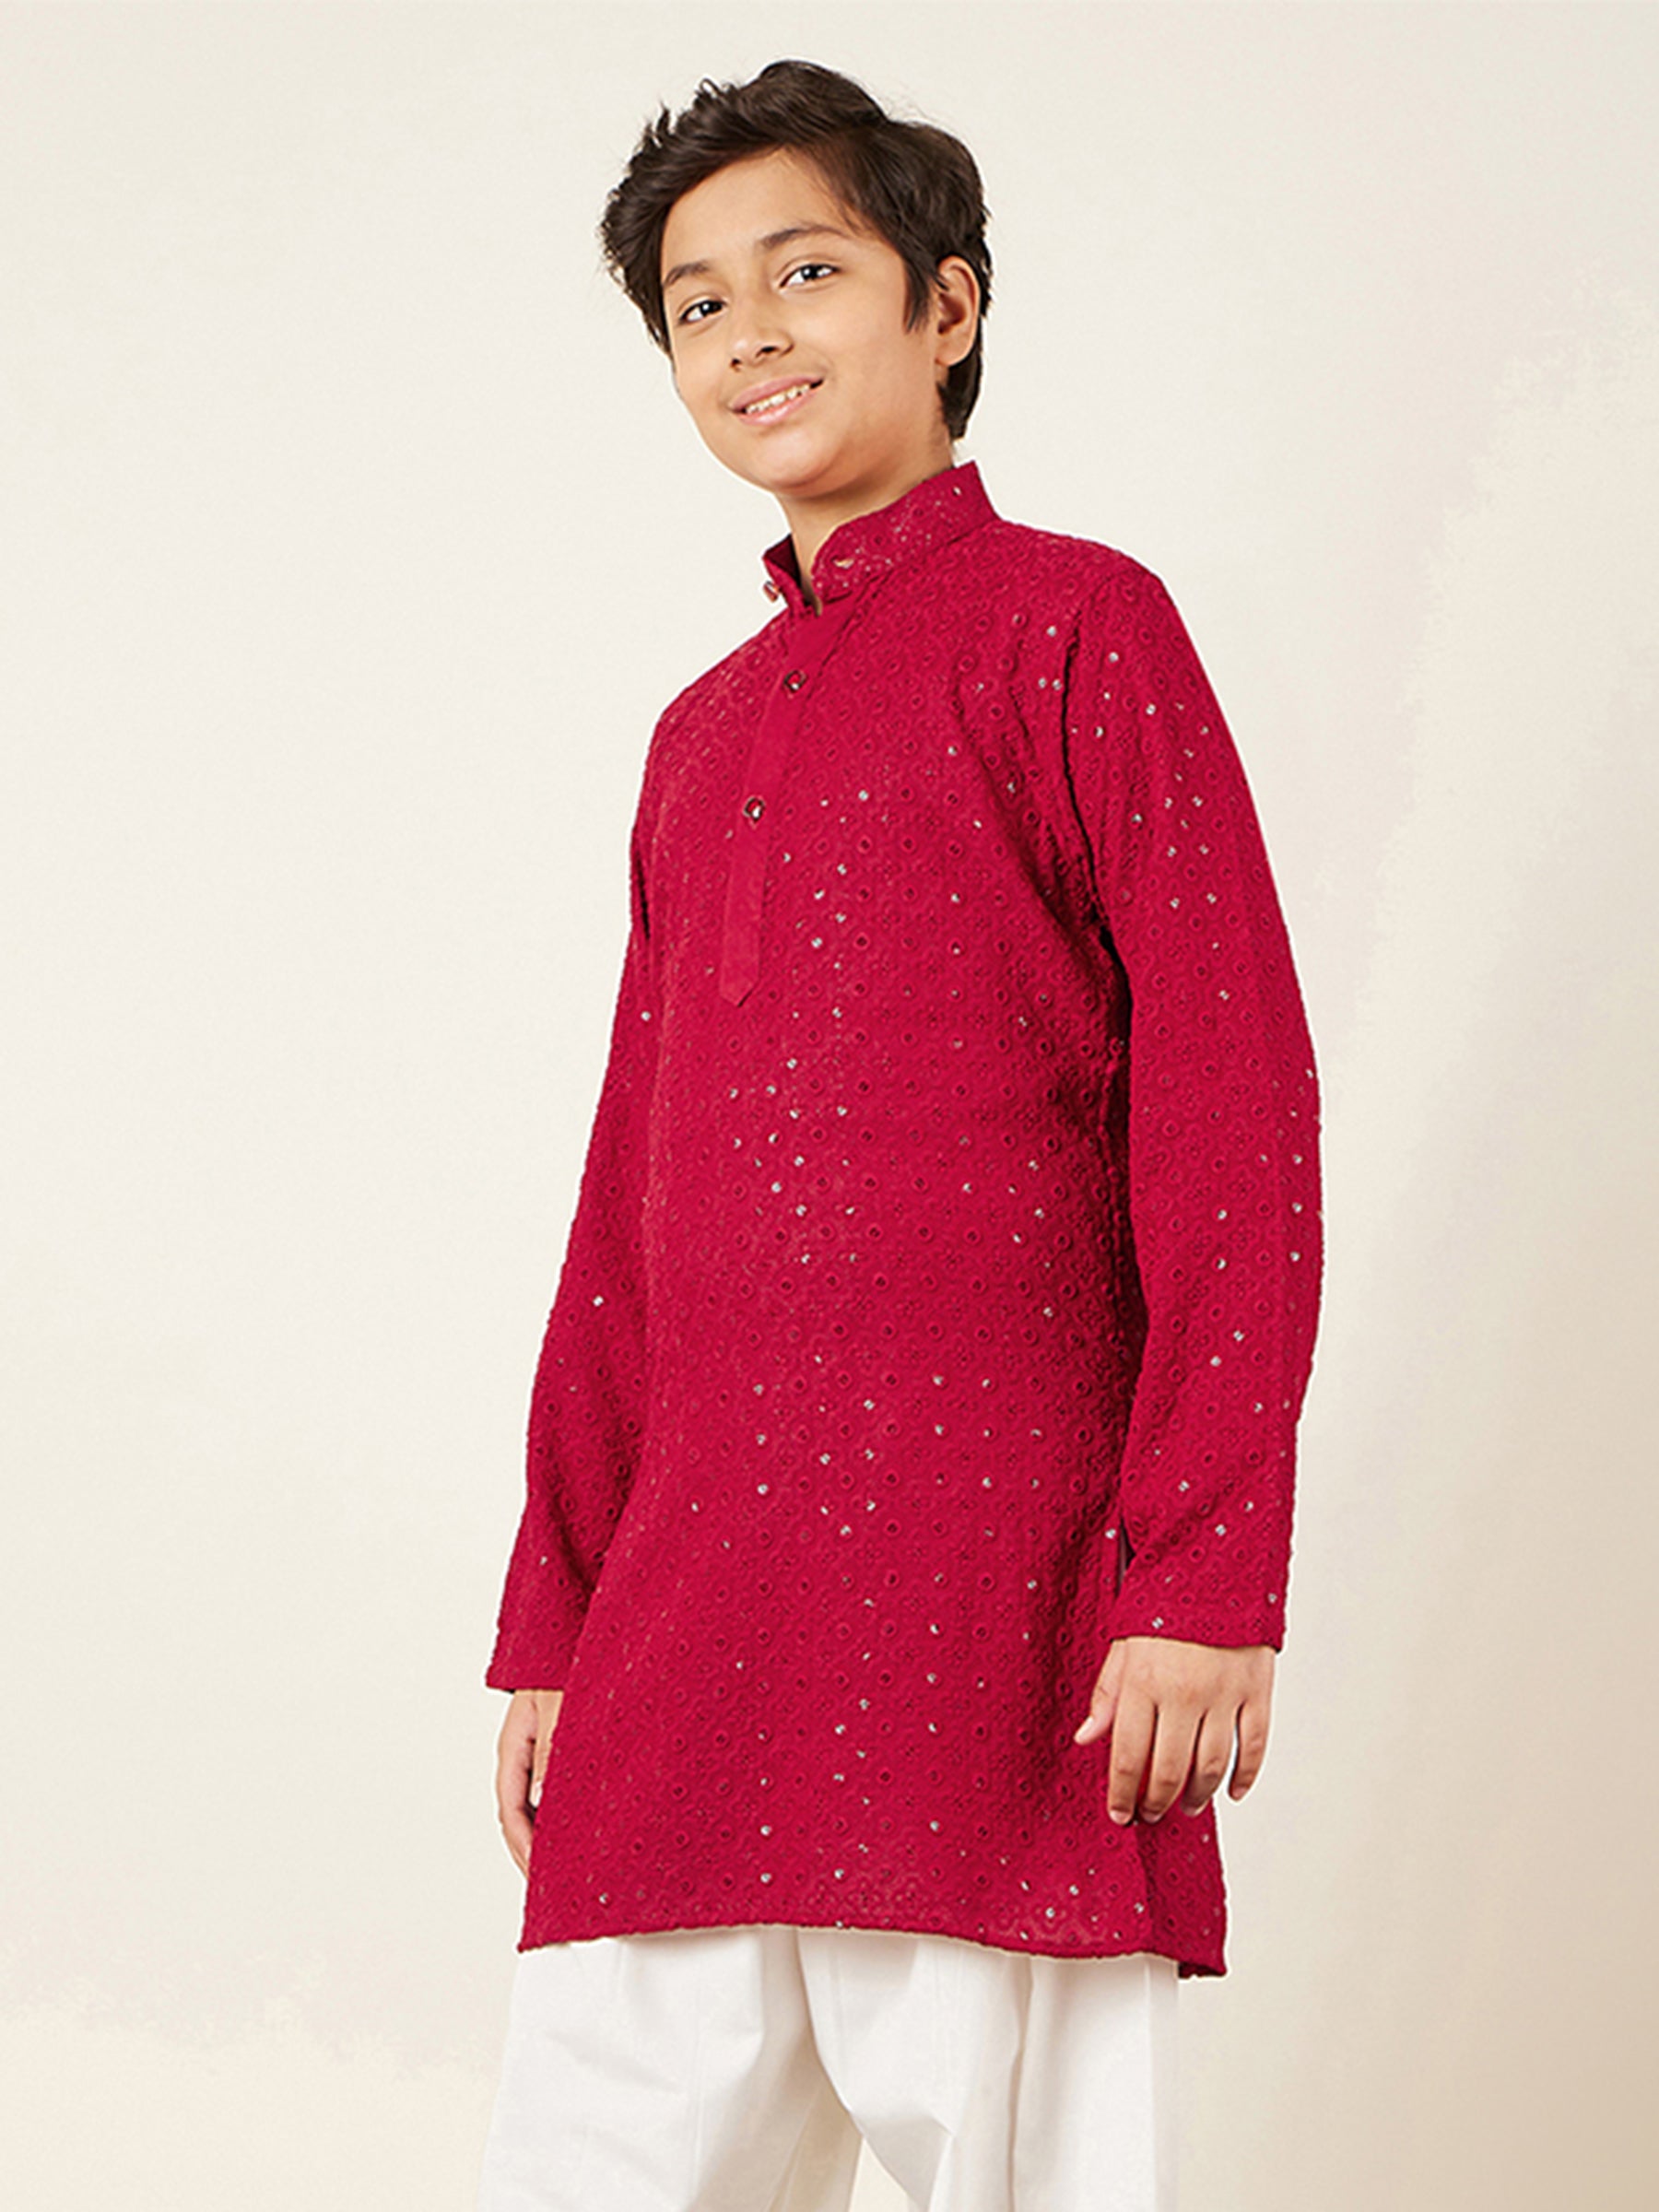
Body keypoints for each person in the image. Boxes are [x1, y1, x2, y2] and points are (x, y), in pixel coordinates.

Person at [477, 56, 1322, 2212]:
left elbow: (1230, 1109)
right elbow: (629, 1206)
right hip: (691, 1618)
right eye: (696, 304)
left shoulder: (1079, 629)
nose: (748, 333)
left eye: (806, 272)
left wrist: (1201, 1571)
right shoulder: (696, 740)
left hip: (1003, 1609)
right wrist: (560, 1614)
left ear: (946, 307)